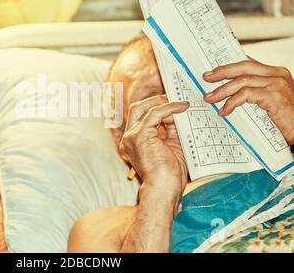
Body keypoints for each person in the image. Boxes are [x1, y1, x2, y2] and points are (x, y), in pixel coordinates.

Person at [68, 34, 294, 253]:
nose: (179, 104)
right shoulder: (105, 228)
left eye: (188, 87)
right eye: (153, 97)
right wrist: (161, 188)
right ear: (123, 139)